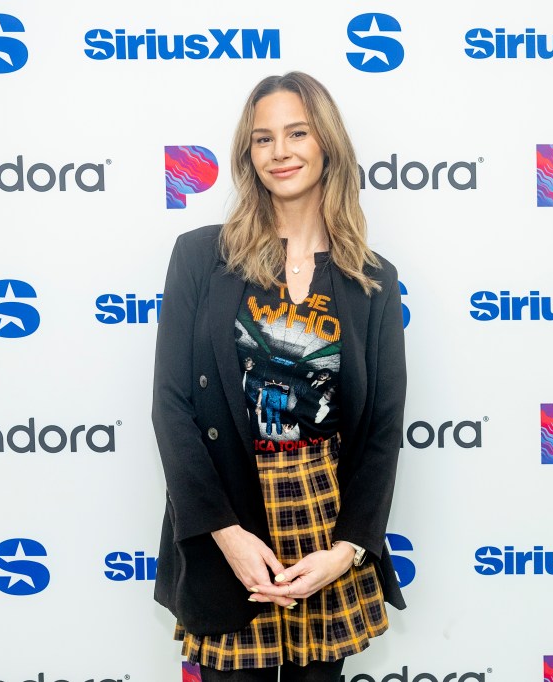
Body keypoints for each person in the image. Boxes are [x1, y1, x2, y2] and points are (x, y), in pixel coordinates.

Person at [152, 71, 407, 682]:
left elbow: (381, 429)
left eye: (297, 133)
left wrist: (347, 550)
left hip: (324, 521)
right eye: (262, 139)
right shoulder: (199, 256)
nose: (281, 151)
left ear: (328, 145)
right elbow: (172, 405)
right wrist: (224, 534)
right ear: (248, 155)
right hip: (230, 518)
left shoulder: (371, 277)